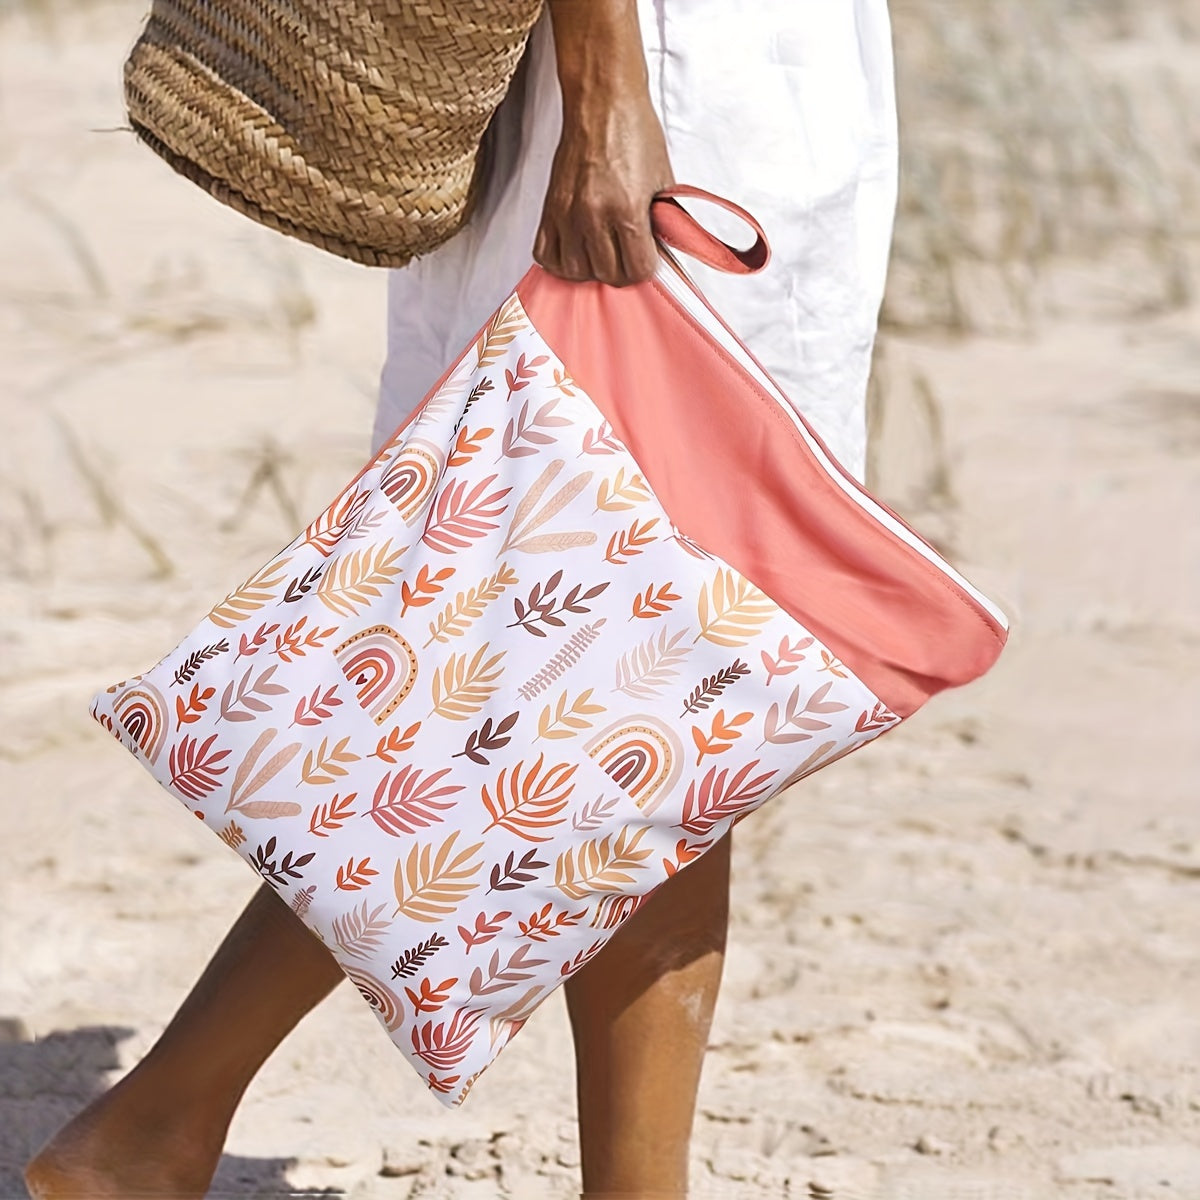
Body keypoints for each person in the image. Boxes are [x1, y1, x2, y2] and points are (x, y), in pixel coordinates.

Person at [26, 1, 897, 1196]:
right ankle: (156, 1124)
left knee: (668, 670)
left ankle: (159, 1132)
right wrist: (605, 87)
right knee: (657, 645)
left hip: (740, 73)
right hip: (671, 73)